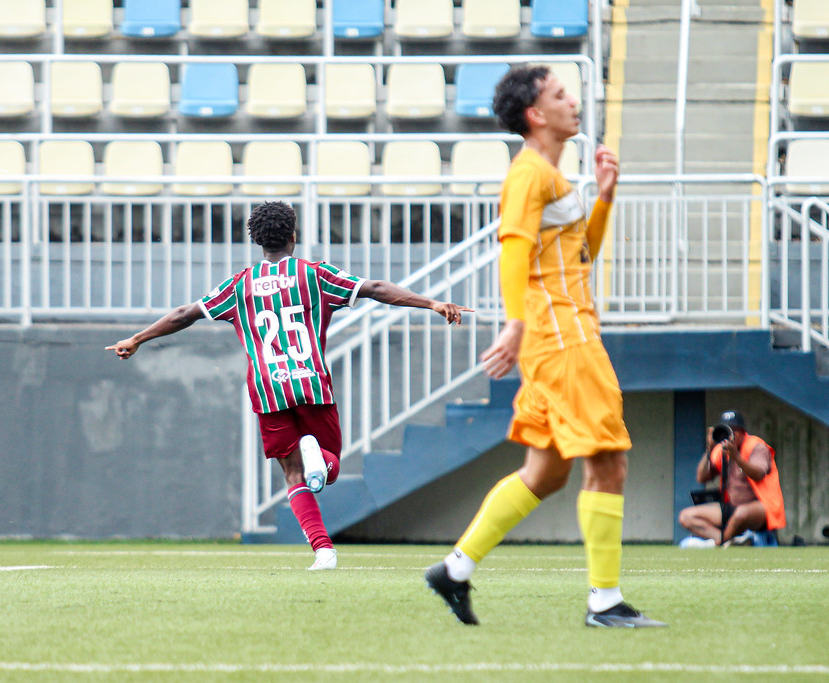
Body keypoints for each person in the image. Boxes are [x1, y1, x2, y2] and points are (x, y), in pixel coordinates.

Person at [424, 64, 665, 628]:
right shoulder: (528, 173)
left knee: (547, 473)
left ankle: (454, 571)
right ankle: (604, 603)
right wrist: (513, 322)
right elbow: (512, 250)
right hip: (561, 338)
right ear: (536, 115)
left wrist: (604, 198)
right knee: (608, 462)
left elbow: (581, 254)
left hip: (562, 334)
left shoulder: (555, 176)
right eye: (560, 95)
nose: (572, 102)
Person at [107, 201, 471, 570]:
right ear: (294, 237)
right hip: (310, 382)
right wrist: (431, 302)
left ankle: (323, 551)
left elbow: (185, 314)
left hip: (268, 391)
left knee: (293, 474)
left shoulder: (240, 284)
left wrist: (138, 338)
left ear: (257, 242)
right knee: (328, 471)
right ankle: (318, 458)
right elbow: (374, 288)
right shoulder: (315, 274)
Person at [679, 410, 785, 547]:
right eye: (727, 431)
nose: (731, 436)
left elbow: (759, 474)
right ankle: (731, 542)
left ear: (742, 432)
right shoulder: (721, 449)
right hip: (732, 507)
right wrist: (709, 449)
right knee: (686, 516)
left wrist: (737, 457)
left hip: (761, 507)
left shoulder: (756, 446)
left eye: (734, 431)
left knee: (741, 513)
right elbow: (702, 477)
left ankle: (720, 544)